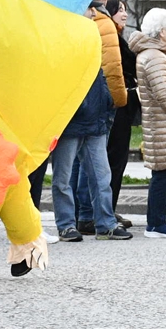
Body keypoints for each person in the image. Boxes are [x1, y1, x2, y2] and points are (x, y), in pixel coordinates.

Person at [49, 47, 127, 242]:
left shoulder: (91, 55)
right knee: (63, 178)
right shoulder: (63, 56)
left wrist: (107, 106)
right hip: (70, 125)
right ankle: (66, 225)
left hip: (94, 124)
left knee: (101, 177)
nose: (93, 14)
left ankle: (105, 225)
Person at [129, 9, 166, 238]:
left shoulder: (154, 54)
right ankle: (155, 224)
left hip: (163, 125)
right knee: (162, 175)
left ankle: (156, 223)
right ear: (163, 31)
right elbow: (165, 94)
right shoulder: (154, 56)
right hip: (165, 125)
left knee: (163, 175)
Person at [104, 0, 138, 215]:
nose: (125, 14)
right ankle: (106, 210)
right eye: (119, 10)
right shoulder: (113, 40)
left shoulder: (119, 38)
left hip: (121, 106)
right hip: (117, 107)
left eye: (125, 10)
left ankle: (109, 209)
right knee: (114, 161)